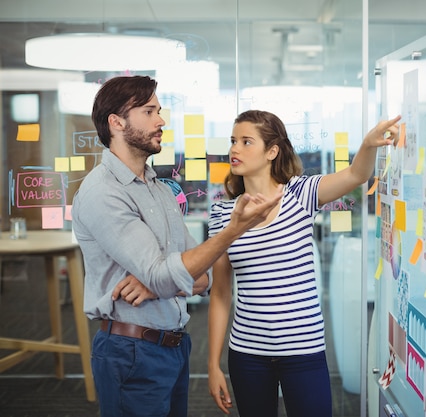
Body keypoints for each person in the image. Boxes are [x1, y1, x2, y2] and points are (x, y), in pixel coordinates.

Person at [71, 75, 283, 417]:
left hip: (172, 347)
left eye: (159, 110)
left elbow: (203, 277)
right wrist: (233, 231)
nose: (161, 120)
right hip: (131, 351)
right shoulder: (103, 193)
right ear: (116, 122)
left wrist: (157, 284)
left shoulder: (156, 188)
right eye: (149, 111)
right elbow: (172, 274)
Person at [207, 109, 401, 417]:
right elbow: (219, 294)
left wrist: (367, 145)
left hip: (303, 349)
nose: (234, 149)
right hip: (247, 352)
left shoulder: (300, 193)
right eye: (233, 141)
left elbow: (356, 175)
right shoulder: (221, 214)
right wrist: (212, 365)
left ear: (272, 151)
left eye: (246, 141)